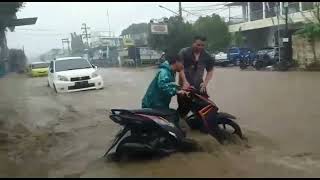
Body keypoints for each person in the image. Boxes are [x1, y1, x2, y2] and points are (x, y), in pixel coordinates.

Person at [142, 55, 187, 129]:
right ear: (176, 62)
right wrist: (177, 92)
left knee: (173, 116)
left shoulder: (171, 72)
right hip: (153, 105)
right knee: (173, 117)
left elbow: (170, 84)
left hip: (160, 104)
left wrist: (180, 88)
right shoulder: (164, 72)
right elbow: (163, 86)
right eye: (182, 64)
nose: (183, 67)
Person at [177, 35, 215, 120]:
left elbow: (210, 71)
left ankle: (200, 124)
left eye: (202, 45)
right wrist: (184, 82)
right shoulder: (184, 52)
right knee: (183, 108)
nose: (200, 47)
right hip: (185, 86)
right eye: (198, 45)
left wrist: (205, 83)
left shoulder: (207, 56)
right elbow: (180, 68)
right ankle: (180, 124)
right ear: (193, 43)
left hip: (199, 85)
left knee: (204, 106)